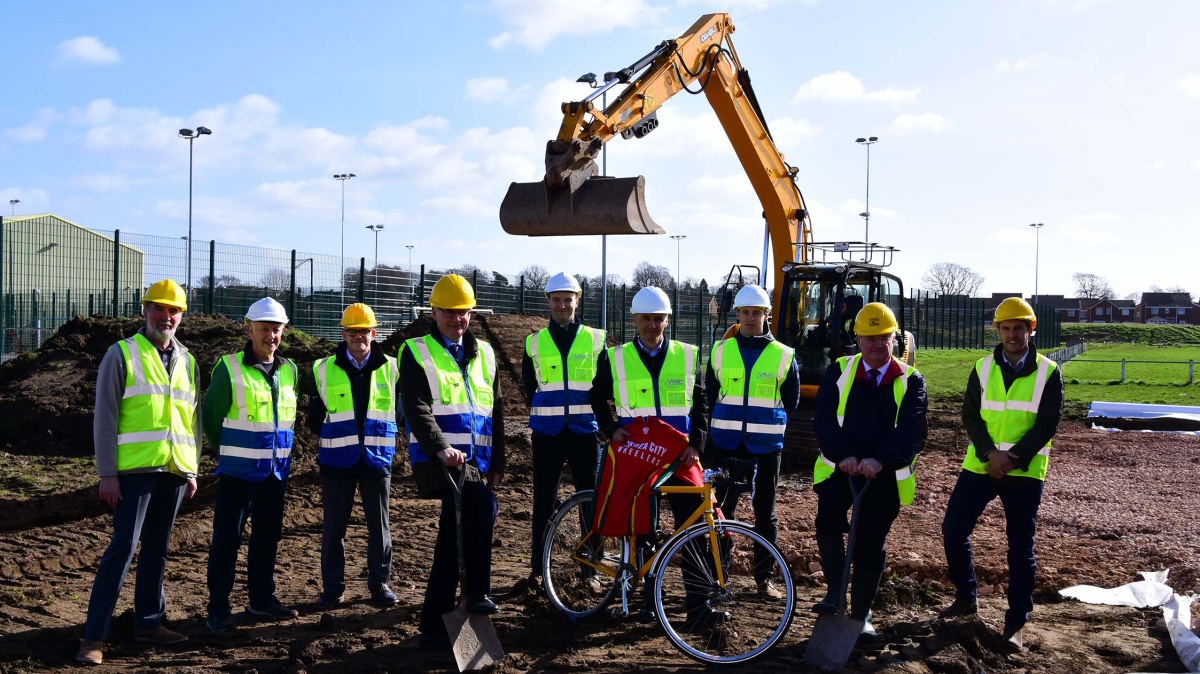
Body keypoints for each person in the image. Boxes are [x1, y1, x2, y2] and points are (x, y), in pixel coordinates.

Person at [77, 279, 202, 666]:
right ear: (145, 310)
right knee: (123, 549)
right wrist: (107, 473)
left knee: (158, 550)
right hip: (133, 472)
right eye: (160, 309)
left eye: (174, 310)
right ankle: (93, 638)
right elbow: (105, 417)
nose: (167, 316)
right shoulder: (122, 354)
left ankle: (148, 623)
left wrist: (191, 468)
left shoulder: (188, 359)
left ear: (182, 315)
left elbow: (192, 419)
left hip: (174, 470)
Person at [588, 286, 715, 626]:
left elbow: (701, 405)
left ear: (667, 320)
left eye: (658, 319)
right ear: (634, 320)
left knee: (692, 527)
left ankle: (699, 605)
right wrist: (611, 428)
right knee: (641, 528)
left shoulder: (688, 355)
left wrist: (696, 444)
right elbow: (597, 396)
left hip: (680, 456)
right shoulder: (615, 357)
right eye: (646, 319)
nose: (652, 325)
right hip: (639, 456)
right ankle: (646, 601)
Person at [940, 297, 1063, 646]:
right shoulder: (981, 368)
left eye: (1018, 328)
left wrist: (1013, 458)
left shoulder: (1048, 371)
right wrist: (991, 454)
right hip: (981, 463)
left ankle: (1016, 621)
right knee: (953, 530)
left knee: (1020, 545)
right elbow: (970, 415)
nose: (1012, 334)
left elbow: (1047, 423)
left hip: (1025, 471)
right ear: (998, 330)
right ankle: (966, 599)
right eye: (1006, 328)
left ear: (1030, 329)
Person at [812, 302, 927, 640]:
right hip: (840, 470)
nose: (878, 344)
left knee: (869, 542)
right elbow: (825, 419)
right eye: (871, 337)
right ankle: (834, 594)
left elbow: (912, 430)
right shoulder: (839, 371)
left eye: (885, 338)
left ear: (896, 340)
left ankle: (861, 614)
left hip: (884, 475)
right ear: (858, 339)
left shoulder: (911, 380)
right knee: (829, 523)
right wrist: (844, 455)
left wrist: (881, 461)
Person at [403, 275, 506, 651]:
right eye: (449, 312)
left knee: (453, 540)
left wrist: (498, 461)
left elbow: (495, 410)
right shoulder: (416, 351)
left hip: (474, 463)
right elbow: (415, 407)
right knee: (483, 505)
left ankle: (433, 626)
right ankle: (476, 592)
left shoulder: (486, 354)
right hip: (437, 462)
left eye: (463, 312)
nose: (456, 319)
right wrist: (440, 448)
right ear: (434, 312)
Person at [203, 297, 300, 631]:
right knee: (227, 540)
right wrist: (230, 451)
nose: (270, 336)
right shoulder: (228, 368)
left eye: (276, 329)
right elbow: (211, 419)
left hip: (275, 473)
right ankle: (218, 608)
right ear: (250, 329)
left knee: (267, 538)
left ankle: (261, 600)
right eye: (264, 329)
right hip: (238, 473)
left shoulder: (290, 370)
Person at [704, 284, 800, 599]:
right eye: (745, 312)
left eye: (756, 312)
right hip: (726, 444)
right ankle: (718, 577)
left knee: (765, 513)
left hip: (766, 447)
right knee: (722, 512)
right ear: (738, 314)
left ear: (766, 315)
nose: (750, 318)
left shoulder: (784, 355)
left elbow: (791, 401)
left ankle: (764, 580)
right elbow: (710, 394)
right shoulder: (720, 351)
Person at [307, 303, 400, 609]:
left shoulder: (393, 367)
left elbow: (401, 412)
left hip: (377, 458)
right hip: (337, 462)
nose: (359, 337)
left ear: (374, 333)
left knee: (380, 526)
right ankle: (333, 589)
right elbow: (313, 418)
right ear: (343, 333)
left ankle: (380, 584)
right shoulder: (322, 368)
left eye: (364, 331)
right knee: (334, 528)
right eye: (352, 331)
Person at [522, 272, 604, 586]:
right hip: (547, 433)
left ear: (577, 300)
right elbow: (530, 388)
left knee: (590, 500)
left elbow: (603, 386)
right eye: (556, 299)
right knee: (543, 500)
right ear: (548, 302)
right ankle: (538, 569)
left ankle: (591, 569)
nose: (561, 304)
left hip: (585, 432)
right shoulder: (534, 342)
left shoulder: (595, 339)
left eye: (567, 299)